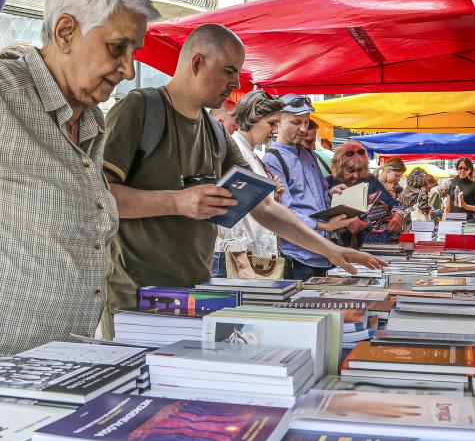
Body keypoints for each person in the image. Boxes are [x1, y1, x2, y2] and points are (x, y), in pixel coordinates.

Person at [102, 27, 383, 337]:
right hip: (137, 299)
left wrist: (329, 250)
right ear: (196, 63)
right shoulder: (140, 108)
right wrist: (177, 201)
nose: (235, 84)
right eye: (228, 72)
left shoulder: (216, 132)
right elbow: (96, 197)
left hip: (196, 294)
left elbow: (263, 205)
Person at [0, 0, 159, 354]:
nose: (129, 69)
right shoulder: (5, 95)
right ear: (66, 32)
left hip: (65, 360)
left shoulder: (91, 119)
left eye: (133, 52)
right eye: (117, 47)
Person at [263, 94, 355, 280]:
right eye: (296, 122)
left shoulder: (308, 154)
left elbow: (319, 192)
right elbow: (283, 211)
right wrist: (324, 225)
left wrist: (332, 194)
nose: (304, 129)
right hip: (298, 255)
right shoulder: (272, 159)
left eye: (306, 122)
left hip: (322, 253)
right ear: (278, 121)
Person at [212, 90, 284, 278]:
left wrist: (273, 197)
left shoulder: (252, 154)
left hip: (250, 257)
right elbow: (226, 208)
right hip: (237, 261)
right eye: (271, 123)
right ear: (253, 117)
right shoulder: (237, 150)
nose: (275, 131)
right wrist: (243, 264)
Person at [327, 141, 403, 247]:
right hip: (335, 245)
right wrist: (345, 223)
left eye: (360, 170)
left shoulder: (369, 180)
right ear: (338, 167)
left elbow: (394, 203)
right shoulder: (328, 183)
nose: (356, 175)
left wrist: (397, 216)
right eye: (350, 171)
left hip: (363, 243)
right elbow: (316, 218)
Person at [444, 158, 475, 222]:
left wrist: (466, 206)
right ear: (457, 169)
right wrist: (443, 223)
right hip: (452, 223)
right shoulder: (452, 185)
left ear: (470, 170)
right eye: (460, 168)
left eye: (465, 169)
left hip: (469, 224)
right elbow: (447, 208)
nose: (462, 171)